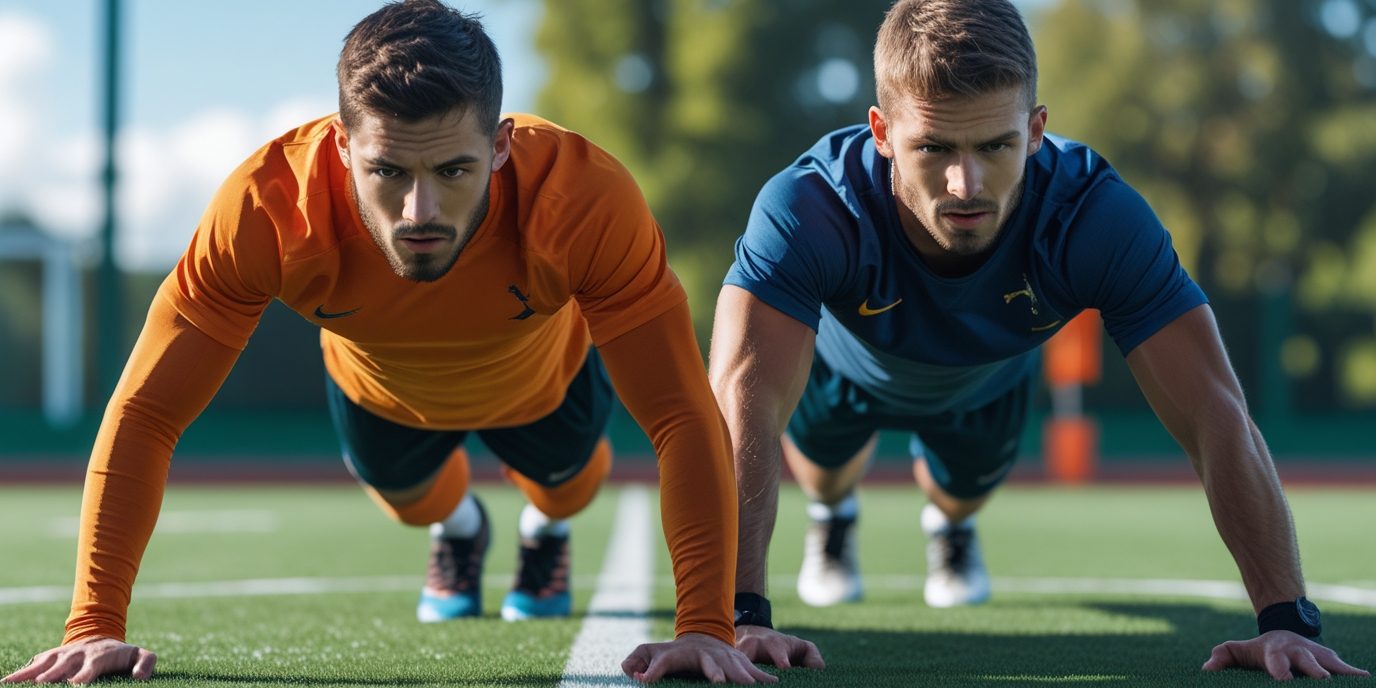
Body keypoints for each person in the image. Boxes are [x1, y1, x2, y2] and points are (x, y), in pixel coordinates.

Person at [2, 1, 775, 685]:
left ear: (502, 146)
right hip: (381, 395)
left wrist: (706, 627)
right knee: (413, 506)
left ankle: (545, 529)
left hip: (544, 384)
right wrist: (93, 623)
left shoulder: (584, 200)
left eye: (454, 169)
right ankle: (462, 528)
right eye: (388, 170)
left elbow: (679, 413)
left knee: (568, 491)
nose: (419, 210)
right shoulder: (265, 210)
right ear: (341, 146)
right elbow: (147, 413)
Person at [709, 0, 1370, 680]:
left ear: (1034, 130)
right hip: (843, 374)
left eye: (994, 146)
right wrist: (735, 614)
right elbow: (738, 405)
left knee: (960, 494)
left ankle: (951, 525)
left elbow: (1214, 411)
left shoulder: (1095, 219)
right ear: (881, 132)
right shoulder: (811, 208)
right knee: (823, 473)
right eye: (934, 148)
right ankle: (833, 514)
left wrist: (1286, 621)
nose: (966, 186)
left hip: (987, 386)